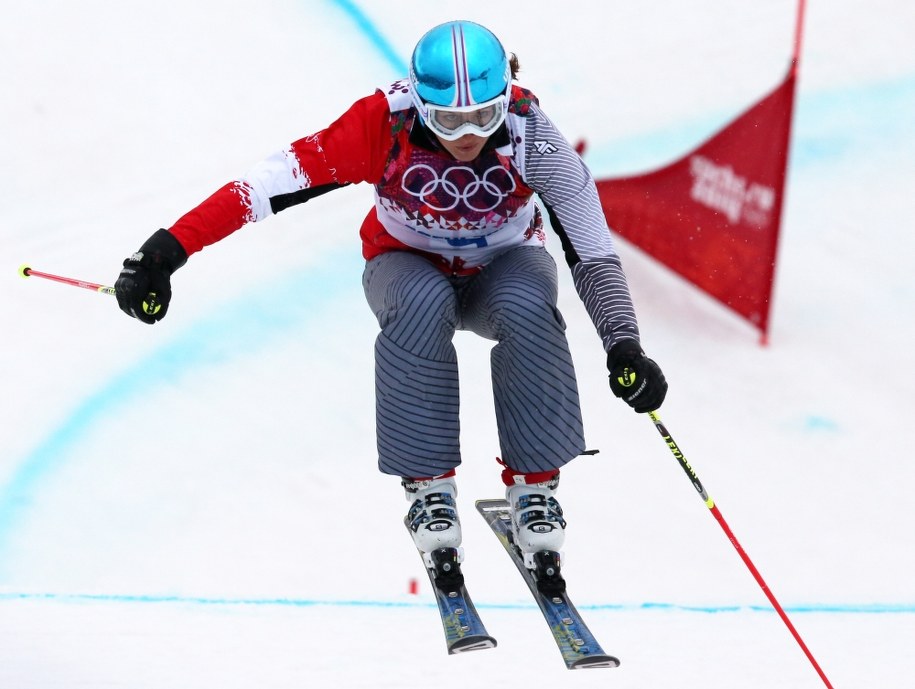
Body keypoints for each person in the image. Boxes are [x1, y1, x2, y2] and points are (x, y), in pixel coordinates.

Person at [114, 19, 667, 589]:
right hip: (405, 262)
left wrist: (623, 344)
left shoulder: (534, 136)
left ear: (506, 98)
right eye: (448, 120)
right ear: (421, 105)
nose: (468, 135)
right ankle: (429, 486)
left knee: (529, 305)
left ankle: (536, 487)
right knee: (420, 303)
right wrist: (164, 252)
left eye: (484, 116)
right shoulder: (382, 123)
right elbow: (264, 186)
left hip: (504, 266)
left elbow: (591, 249)